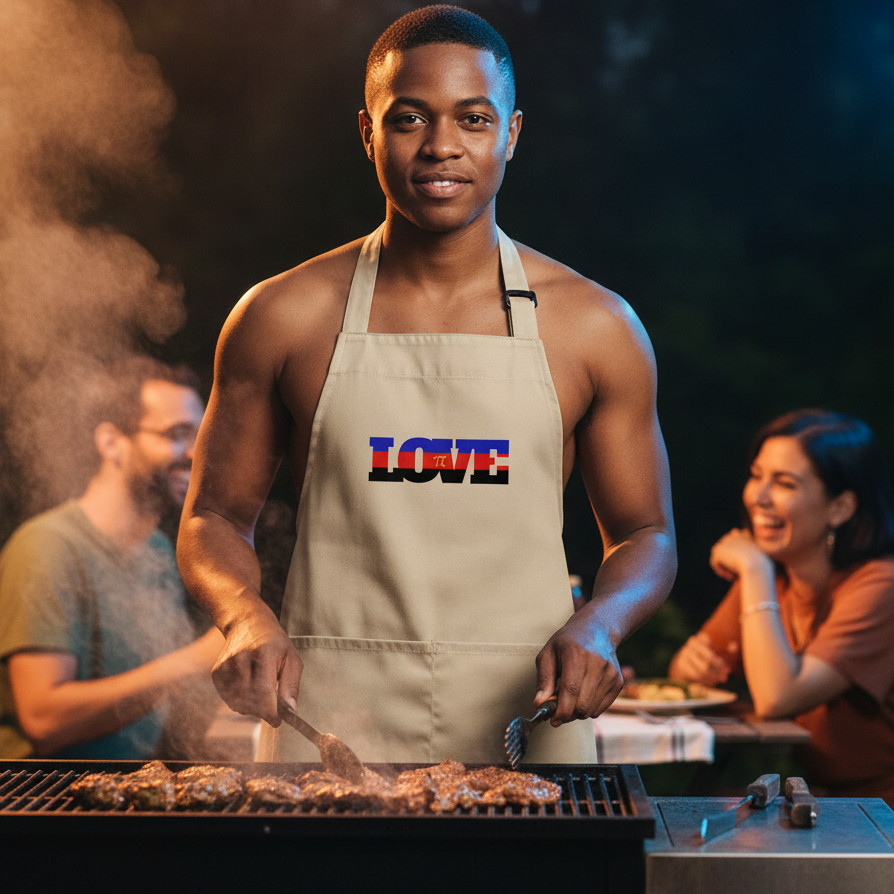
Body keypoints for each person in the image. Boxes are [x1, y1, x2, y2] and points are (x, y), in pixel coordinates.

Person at [177, 5, 676, 765]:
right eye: (410, 118)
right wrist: (244, 615)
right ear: (368, 133)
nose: (443, 146)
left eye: (473, 119)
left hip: (529, 724)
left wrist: (601, 624)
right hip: (327, 724)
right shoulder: (282, 316)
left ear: (510, 133)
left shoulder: (595, 326)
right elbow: (213, 514)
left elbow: (647, 535)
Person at [0, 357, 224, 759]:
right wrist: (193, 662)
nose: (195, 454)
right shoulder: (48, 548)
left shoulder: (157, 551)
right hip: (39, 806)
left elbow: (148, 694)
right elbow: (43, 720)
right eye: (177, 434)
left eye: (200, 436)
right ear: (110, 443)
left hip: (122, 796)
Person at [669, 409, 894, 804]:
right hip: (827, 803)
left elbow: (777, 697)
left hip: (880, 814)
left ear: (840, 508)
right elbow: (682, 686)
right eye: (757, 476)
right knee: (687, 819)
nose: (758, 496)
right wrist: (691, 667)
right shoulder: (774, 582)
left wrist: (754, 567)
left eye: (785, 483)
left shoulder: (881, 586)